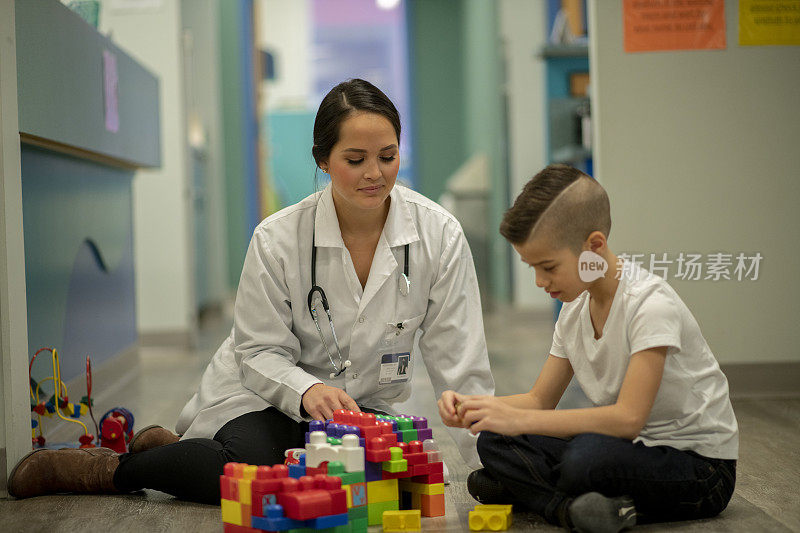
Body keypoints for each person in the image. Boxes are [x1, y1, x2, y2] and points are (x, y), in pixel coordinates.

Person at [9, 79, 494, 504]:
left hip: (357, 408)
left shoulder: (438, 236)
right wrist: (307, 390)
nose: (376, 174)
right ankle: (105, 471)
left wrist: (488, 469)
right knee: (260, 474)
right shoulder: (279, 238)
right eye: (356, 159)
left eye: (388, 157)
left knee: (363, 479)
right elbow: (259, 350)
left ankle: (173, 454)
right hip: (260, 396)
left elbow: (461, 359)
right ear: (322, 160)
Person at [438, 164, 738, 532]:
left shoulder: (650, 304)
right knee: (494, 441)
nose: (539, 281)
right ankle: (576, 509)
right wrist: (479, 408)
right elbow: (538, 401)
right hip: (627, 452)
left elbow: (628, 419)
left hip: (699, 468)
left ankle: (553, 498)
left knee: (585, 460)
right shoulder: (574, 308)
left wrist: (519, 420)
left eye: (548, 266)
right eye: (532, 267)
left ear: (593, 246)